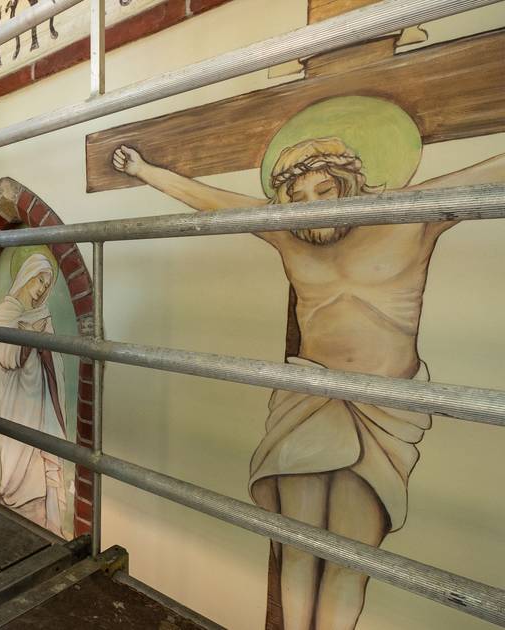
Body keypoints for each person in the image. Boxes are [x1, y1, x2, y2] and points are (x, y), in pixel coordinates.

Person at [112, 139, 503, 630]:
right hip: (308, 399)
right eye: (298, 198)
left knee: (351, 559)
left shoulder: (411, 216)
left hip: (384, 409)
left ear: (351, 186)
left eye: (324, 189)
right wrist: (148, 172)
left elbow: (490, 171)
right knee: (297, 546)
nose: (312, 204)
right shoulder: (287, 234)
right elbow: (216, 202)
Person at [0, 252, 72, 538]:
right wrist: (30, 338)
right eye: (39, 280)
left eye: (46, 283)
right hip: (18, 400)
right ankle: (14, 503)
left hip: (42, 400)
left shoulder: (43, 314)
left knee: (42, 456)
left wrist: (41, 339)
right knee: (17, 457)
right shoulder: (8, 310)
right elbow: (7, 356)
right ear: (26, 275)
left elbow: (56, 363)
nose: (41, 288)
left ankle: (47, 521)